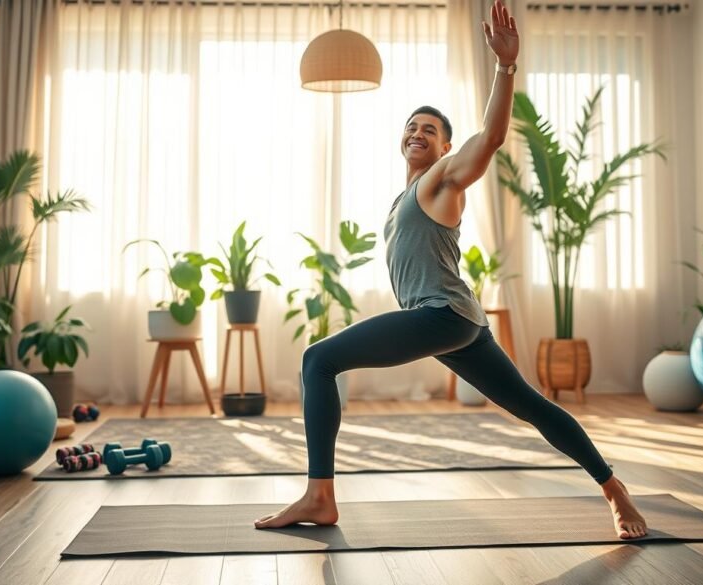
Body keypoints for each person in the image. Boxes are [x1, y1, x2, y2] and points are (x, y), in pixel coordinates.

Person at [255, 0, 648, 539]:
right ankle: (614, 489)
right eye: (412, 126)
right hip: (457, 323)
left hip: (441, 317)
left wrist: (505, 67)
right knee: (530, 405)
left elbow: (489, 137)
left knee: (318, 360)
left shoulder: (442, 180)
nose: (418, 132)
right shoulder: (404, 197)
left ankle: (320, 496)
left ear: (445, 147)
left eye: (431, 129)